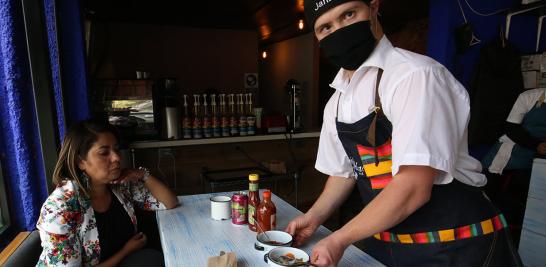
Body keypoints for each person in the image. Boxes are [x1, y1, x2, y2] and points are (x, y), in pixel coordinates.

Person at [285, 1, 523, 266]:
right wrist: (314, 216)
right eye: (325, 27)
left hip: (458, 246)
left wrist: (340, 238)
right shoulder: (337, 102)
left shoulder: (415, 76)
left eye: (349, 14)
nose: (339, 31)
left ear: (374, 9)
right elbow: (346, 172)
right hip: (393, 247)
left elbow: (413, 187)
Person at [36, 120, 178, 267]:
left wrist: (142, 175)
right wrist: (125, 251)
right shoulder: (60, 208)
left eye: (116, 149)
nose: (117, 157)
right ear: (80, 161)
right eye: (104, 153)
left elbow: (169, 202)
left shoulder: (119, 186)